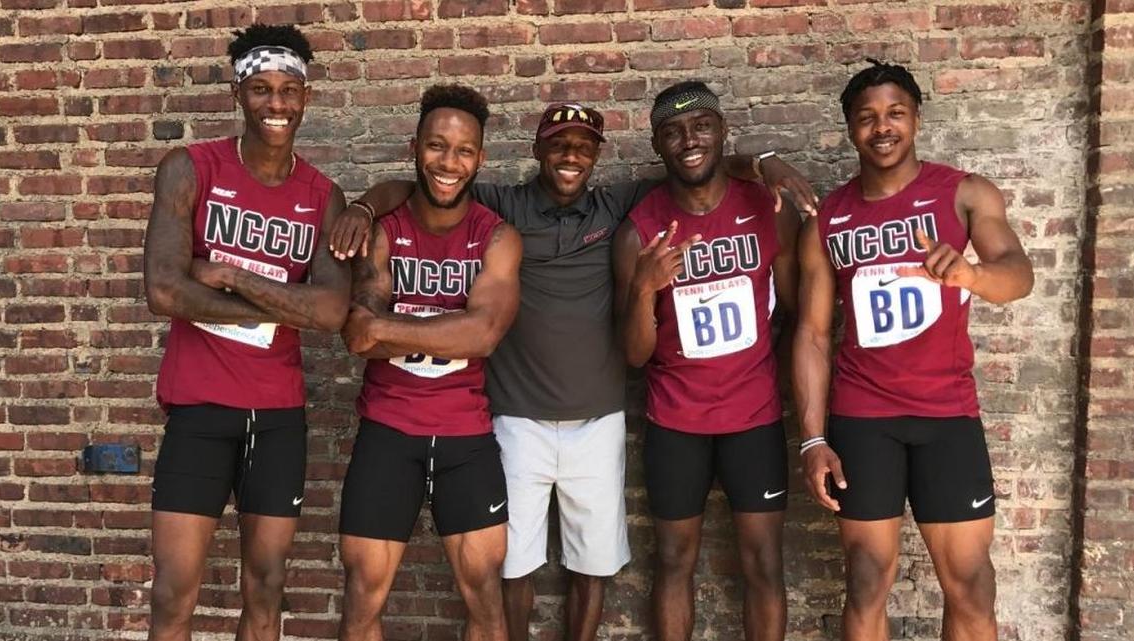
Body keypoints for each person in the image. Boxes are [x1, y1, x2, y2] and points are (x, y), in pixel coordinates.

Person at [328, 104, 816, 641]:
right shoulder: (499, 203)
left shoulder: (618, 204)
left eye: (584, 146)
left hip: (598, 416)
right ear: (535, 149)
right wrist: (363, 206)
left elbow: (697, 165)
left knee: (593, 563)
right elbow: (418, 184)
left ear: (598, 156)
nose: (571, 156)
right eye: (558, 144)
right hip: (515, 416)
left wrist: (765, 162)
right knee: (512, 567)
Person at [793, 60, 1034, 641]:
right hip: (863, 418)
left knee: (971, 583)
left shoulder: (965, 194)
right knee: (867, 580)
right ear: (850, 128)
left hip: (946, 413)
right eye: (867, 117)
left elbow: (1018, 275)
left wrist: (969, 275)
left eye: (895, 113)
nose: (883, 127)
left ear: (917, 119)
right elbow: (812, 334)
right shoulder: (828, 219)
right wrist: (812, 437)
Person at [142, 24, 350, 641]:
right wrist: (291, 305)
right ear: (238, 92)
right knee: (173, 593)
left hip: (277, 414)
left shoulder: (323, 195)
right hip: (200, 408)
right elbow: (163, 290)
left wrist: (230, 276)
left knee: (266, 589)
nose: (276, 103)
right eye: (260, 88)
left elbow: (333, 312)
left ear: (306, 98)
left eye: (289, 90)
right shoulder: (190, 168)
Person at [613, 80, 801, 641]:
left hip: (755, 418)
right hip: (676, 422)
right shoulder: (638, 231)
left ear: (722, 132)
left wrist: (775, 380)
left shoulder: (767, 209)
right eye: (671, 132)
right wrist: (645, 287)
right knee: (673, 562)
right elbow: (633, 354)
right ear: (657, 145)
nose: (688, 141)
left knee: (764, 563)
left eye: (699, 127)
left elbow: (798, 312)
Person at [336, 84, 523, 641]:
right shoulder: (382, 232)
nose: (450, 162)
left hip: (466, 434)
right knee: (362, 598)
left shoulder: (497, 237)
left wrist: (389, 327)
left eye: (464, 151)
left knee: (486, 599)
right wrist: (449, 329)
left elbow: (484, 333)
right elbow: (355, 337)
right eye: (437, 146)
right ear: (414, 147)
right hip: (388, 428)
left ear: (480, 159)